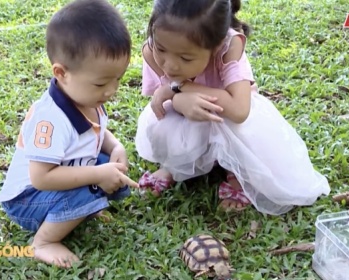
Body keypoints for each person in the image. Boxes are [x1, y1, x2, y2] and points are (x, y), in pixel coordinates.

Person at [134, 0, 330, 215]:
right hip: (187, 112)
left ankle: (237, 172)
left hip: (227, 114)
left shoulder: (230, 46)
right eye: (162, 48)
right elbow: (162, 99)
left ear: (216, 46)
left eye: (185, 58)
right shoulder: (152, 50)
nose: (169, 64)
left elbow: (239, 110)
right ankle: (173, 167)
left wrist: (180, 86)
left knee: (241, 133)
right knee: (162, 123)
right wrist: (179, 99)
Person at [0, 0, 138, 268]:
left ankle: (81, 210)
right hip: (28, 199)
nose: (111, 91)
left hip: (64, 170)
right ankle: (43, 242)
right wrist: (98, 174)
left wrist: (116, 147)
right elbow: (41, 177)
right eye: (101, 83)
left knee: (111, 172)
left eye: (117, 79)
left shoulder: (86, 97)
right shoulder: (50, 120)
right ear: (61, 73)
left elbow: (97, 133)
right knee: (91, 186)